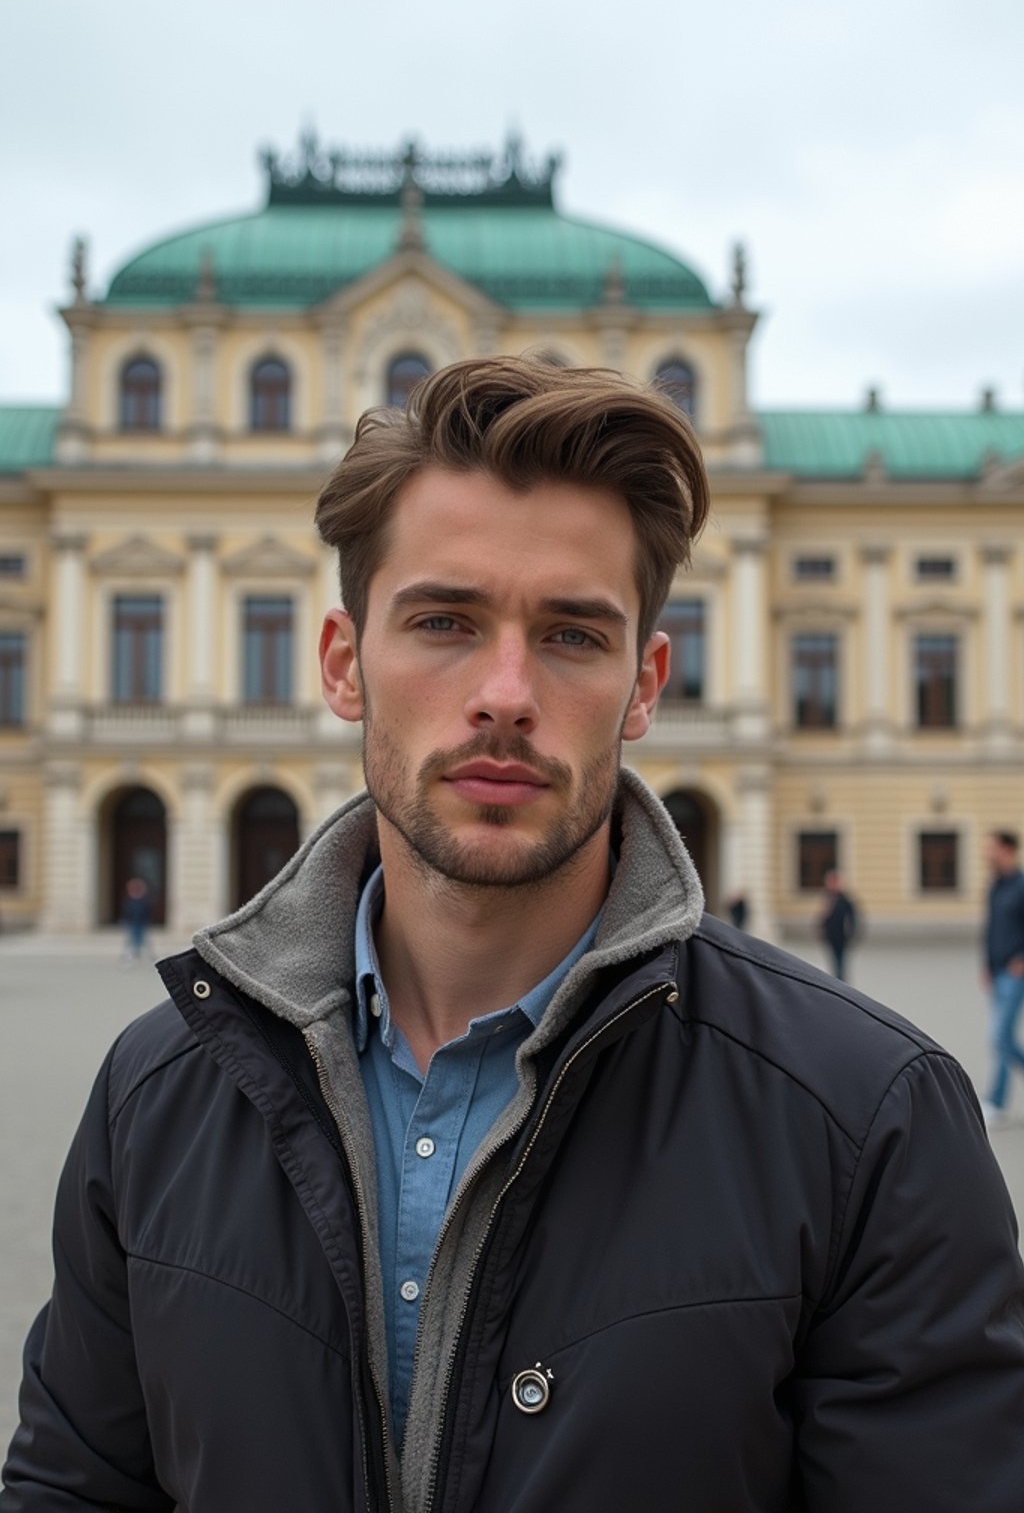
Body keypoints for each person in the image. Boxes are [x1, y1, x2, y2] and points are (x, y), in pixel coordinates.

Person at [4, 358, 1024, 1512]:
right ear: (344, 663)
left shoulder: (869, 1119)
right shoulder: (158, 1091)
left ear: (645, 686)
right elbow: (74, 1488)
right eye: (443, 620)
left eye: (572, 636)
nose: (503, 692)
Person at [981, 829, 1024, 1126]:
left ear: (1008, 850)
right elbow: (990, 928)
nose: (988, 853)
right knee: (1003, 1037)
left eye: (992, 848)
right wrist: (985, 965)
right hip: (996, 971)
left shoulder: (1022, 886)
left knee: (999, 1036)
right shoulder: (995, 886)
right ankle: (996, 1101)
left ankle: (995, 1100)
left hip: (1014, 971)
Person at [818, 866, 858, 980]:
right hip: (831, 934)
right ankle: (836, 980)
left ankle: (841, 982)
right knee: (833, 960)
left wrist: (852, 933)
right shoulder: (828, 897)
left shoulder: (845, 899)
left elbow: (852, 917)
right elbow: (824, 916)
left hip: (842, 935)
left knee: (841, 961)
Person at [119, 876, 152, 964]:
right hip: (131, 923)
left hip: (141, 923)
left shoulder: (143, 900)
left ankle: (146, 958)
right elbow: (126, 912)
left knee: (144, 942)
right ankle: (129, 958)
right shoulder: (129, 900)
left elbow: (147, 912)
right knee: (131, 942)